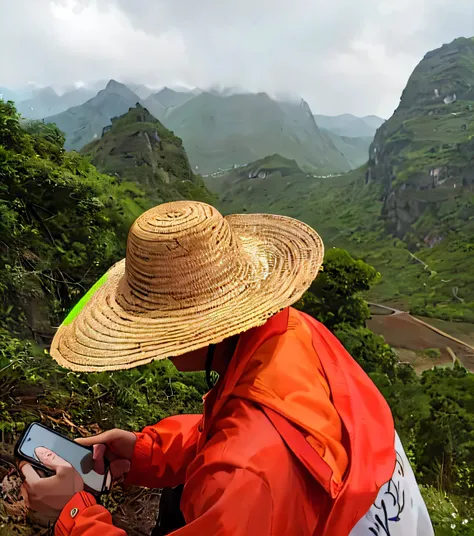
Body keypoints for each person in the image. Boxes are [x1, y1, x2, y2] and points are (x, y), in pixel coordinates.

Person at [19, 201, 434, 536]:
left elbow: (249, 458)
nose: (154, 348)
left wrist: (73, 515)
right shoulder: (292, 331)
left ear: (200, 330)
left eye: (156, 325)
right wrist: (147, 452)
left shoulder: (242, 477)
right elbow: (253, 427)